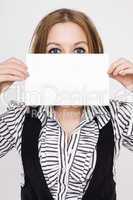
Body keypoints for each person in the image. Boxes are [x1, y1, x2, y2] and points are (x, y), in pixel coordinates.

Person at [0, 8, 133, 200]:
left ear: (94, 55)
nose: (67, 61)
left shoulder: (117, 115)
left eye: (79, 50)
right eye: (55, 51)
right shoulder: (21, 115)